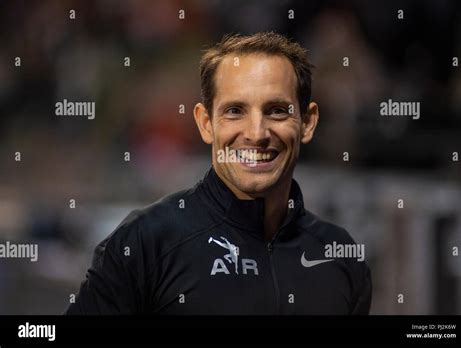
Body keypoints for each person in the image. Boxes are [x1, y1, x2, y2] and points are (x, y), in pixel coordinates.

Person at [66, 32, 371, 315]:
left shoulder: (340, 257)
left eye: (276, 110)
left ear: (307, 122)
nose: (256, 133)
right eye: (235, 111)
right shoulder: (146, 242)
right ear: (205, 123)